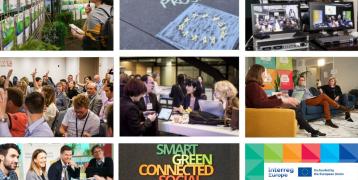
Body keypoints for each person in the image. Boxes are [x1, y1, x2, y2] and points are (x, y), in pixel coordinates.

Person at [245, 64, 325, 137]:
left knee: (296, 107)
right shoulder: (253, 86)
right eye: (263, 73)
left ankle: (307, 128)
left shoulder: (253, 85)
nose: (265, 76)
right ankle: (312, 131)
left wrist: (276, 96)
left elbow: (262, 101)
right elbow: (259, 104)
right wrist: (282, 101)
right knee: (295, 108)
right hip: (266, 113)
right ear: (258, 73)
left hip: (265, 111)